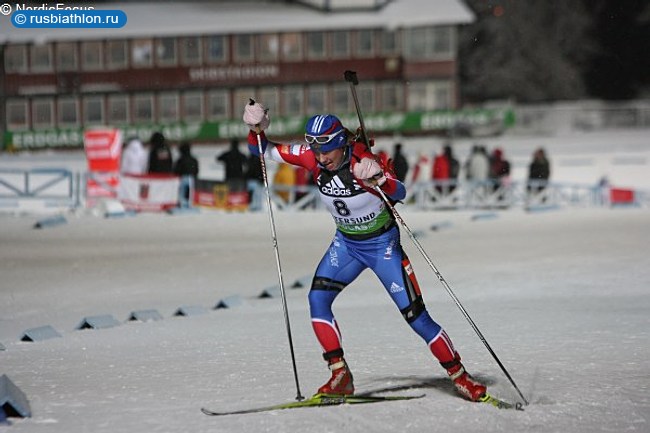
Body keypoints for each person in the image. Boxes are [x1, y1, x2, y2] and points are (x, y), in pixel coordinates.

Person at [242, 101, 487, 402]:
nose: (321, 159)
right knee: (317, 298)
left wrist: (381, 179)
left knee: (416, 317)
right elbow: (262, 151)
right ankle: (339, 374)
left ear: (340, 144)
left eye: (326, 152)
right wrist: (255, 128)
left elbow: (400, 193)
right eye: (316, 152)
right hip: (346, 245)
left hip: (382, 247)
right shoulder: (312, 157)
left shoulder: (363, 161)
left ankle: (460, 376)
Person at [173, 141, 199, 208]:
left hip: (182, 178)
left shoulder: (180, 160)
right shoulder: (194, 159)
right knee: (190, 193)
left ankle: (182, 204)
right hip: (192, 179)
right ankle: (189, 203)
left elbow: (176, 171)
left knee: (182, 192)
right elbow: (196, 171)